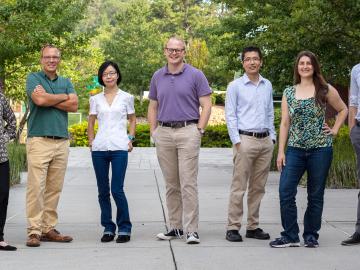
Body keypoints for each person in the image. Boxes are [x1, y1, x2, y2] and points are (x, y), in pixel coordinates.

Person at [270, 51, 348, 248]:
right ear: (297, 67)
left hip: (321, 149)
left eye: (309, 63)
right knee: (285, 191)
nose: (305, 66)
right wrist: (281, 151)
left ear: (314, 66)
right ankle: (290, 235)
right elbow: (285, 123)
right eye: (301, 63)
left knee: (315, 194)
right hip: (295, 150)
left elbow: (343, 110)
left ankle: (311, 235)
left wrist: (335, 130)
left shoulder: (324, 89)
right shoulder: (289, 92)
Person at [148, 36, 212, 244]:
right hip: (164, 133)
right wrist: (154, 132)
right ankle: (175, 227)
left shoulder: (196, 75)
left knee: (188, 183)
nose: (174, 53)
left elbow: (207, 104)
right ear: (165, 51)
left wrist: (199, 130)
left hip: (188, 131)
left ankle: (191, 230)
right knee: (171, 184)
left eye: (178, 50)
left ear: (184, 52)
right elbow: (152, 106)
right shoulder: (158, 76)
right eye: (170, 49)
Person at [25, 44, 78, 247]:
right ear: (41, 59)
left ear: (59, 60)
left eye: (55, 57)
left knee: (54, 188)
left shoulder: (66, 81)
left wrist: (49, 98)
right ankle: (34, 231)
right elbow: (38, 99)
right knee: (35, 188)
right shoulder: (33, 78)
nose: (51, 60)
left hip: (61, 142)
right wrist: (63, 97)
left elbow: (74, 105)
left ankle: (48, 228)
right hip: (39, 139)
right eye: (47, 57)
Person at [225, 46, 276, 242]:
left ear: (261, 61)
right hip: (244, 140)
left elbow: (270, 112)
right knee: (239, 186)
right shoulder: (235, 86)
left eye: (256, 59)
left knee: (258, 187)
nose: (252, 62)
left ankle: (253, 226)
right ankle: (233, 227)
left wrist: (272, 138)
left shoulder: (267, 85)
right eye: (248, 59)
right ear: (243, 63)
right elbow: (230, 116)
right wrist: (237, 142)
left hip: (265, 141)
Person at [87, 61, 136, 243]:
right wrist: (91, 142)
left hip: (119, 148)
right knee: (102, 191)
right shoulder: (95, 99)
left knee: (117, 189)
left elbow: (132, 120)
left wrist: (130, 139)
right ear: (101, 77)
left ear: (117, 75)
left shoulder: (126, 97)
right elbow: (91, 122)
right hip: (99, 149)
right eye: (106, 74)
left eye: (112, 73)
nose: (109, 76)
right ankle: (108, 228)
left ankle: (124, 228)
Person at [342, 63, 360, 246]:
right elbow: (353, 102)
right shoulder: (356, 70)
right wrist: (352, 131)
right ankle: (359, 231)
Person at [0, 92, 17, 251]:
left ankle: (0, 238)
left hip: (1, 157)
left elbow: (12, 121)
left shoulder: (1, 97)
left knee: (2, 197)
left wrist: (4, 138)